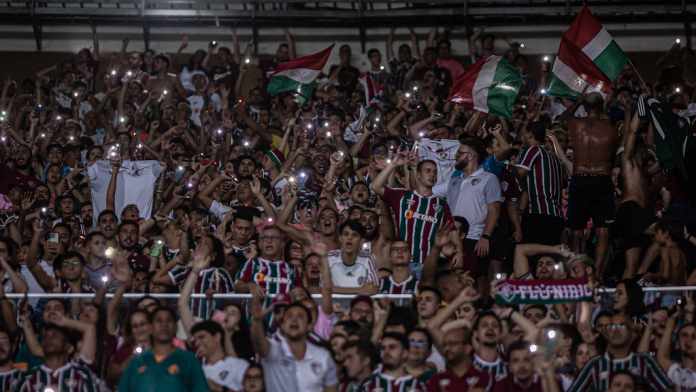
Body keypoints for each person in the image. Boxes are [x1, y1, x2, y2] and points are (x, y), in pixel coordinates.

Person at [562, 92, 620, 275]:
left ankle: (579, 272)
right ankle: (598, 273)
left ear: (585, 107)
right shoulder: (611, 126)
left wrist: (577, 101)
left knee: (577, 229)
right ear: (601, 106)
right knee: (603, 229)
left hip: (580, 178)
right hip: (602, 178)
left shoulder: (575, 124)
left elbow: (563, 116)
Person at [249, 283, 339, 392]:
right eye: (289, 316)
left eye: (300, 316)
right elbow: (259, 344)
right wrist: (256, 321)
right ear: (282, 324)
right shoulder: (272, 350)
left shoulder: (324, 357)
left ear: (309, 325)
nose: (294, 320)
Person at [567, 312, 671, 391]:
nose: (615, 330)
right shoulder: (595, 364)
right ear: (606, 333)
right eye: (611, 326)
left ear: (632, 333)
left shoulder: (645, 361)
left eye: (622, 325)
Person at [118, 307, 209, 392]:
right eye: (159, 321)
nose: (164, 325)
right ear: (151, 328)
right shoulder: (137, 362)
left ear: (175, 327)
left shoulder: (189, 360)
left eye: (169, 320)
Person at [516, 122, 566, 245]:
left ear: (530, 134)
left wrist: (506, 167)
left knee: (532, 256)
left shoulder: (533, 150)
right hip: (556, 216)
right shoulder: (554, 158)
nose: (522, 137)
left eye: (524, 134)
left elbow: (520, 172)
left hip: (539, 214)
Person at [191, 320, 249, 392]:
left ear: (217, 337)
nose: (197, 343)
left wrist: (219, 388)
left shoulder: (239, 365)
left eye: (202, 337)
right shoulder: (196, 371)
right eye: (195, 341)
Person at [426, 327, 489, 391]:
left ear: (467, 348)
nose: (447, 348)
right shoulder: (436, 380)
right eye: (444, 345)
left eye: (452, 343)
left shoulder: (485, 378)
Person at [359, 332, 426, 391]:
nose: (386, 352)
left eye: (392, 347)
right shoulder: (368, 385)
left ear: (405, 353)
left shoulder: (419, 386)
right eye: (383, 348)